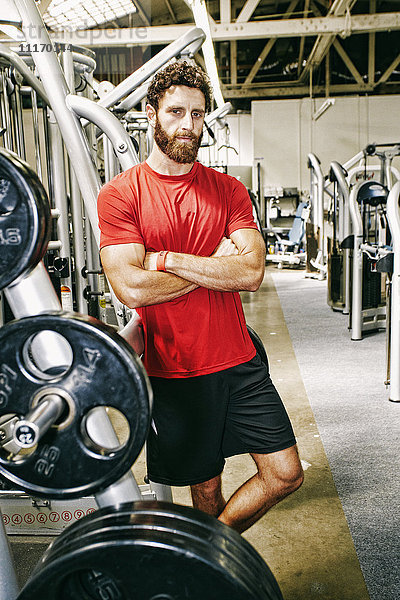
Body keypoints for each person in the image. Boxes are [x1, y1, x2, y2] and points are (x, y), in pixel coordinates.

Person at [98, 61, 303, 533]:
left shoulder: (228, 190)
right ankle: (211, 570)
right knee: (206, 488)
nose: (188, 124)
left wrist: (167, 260)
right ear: (152, 113)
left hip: (239, 359)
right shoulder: (121, 195)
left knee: (285, 473)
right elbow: (129, 286)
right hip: (177, 371)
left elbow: (250, 272)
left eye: (196, 113)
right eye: (175, 112)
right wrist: (215, 265)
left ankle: (209, 552)